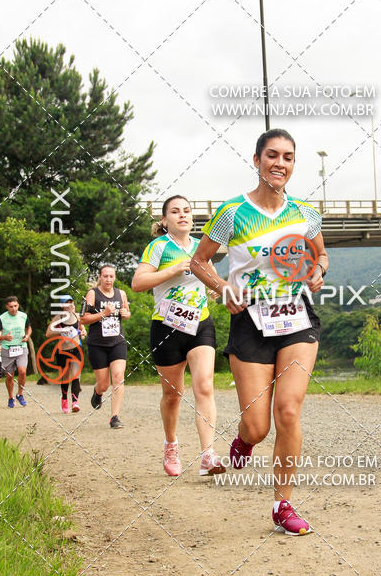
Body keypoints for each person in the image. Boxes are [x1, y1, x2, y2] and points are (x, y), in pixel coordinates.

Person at [190, 129, 328, 535]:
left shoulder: (306, 213)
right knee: (258, 425)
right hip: (250, 321)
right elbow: (199, 263)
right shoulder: (233, 212)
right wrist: (223, 288)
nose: (279, 163)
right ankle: (245, 440)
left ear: (293, 164)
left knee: (288, 410)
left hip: (297, 318)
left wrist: (318, 270)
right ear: (256, 160)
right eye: (272, 155)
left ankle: (282, 504)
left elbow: (321, 252)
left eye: (287, 157)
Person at [132, 195, 224, 478]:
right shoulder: (158, 247)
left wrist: (215, 290)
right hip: (167, 328)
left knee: (204, 386)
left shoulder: (201, 246)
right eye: (175, 211)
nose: (182, 215)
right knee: (173, 395)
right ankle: (171, 444)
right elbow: (137, 283)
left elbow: (215, 280)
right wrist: (174, 269)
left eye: (186, 210)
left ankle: (208, 454)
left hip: (200, 325)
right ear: (164, 220)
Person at [80, 265, 130, 429]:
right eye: (105, 276)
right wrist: (103, 313)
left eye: (111, 276)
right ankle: (98, 392)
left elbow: (127, 312)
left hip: (117, 342)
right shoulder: (93, 294)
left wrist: (125, 314)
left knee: (118, 377)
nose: (108, 279)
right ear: (100, 277)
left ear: (115, 277)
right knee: (104, 384)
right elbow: (83, 319)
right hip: (97, 344)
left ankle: (114, 417)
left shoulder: (121, 293)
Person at [46, 296, 86, 413]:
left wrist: (83, 332)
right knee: (65, 377)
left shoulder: (77, 316)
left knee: (75, 375)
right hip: (63, 351)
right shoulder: (59, 318)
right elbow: (48, 333)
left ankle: (75, 402)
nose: (69, 305)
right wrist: (60, 331)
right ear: (62, 306)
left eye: (71, 302)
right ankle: (64, 399)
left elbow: (83, 330)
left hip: (76, 349)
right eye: (66, 303)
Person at [0, 296, 32, 408]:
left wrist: (27, 336)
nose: (14, 308)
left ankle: (20, 394)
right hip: (7, 350)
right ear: (7, 307)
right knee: (10, 376)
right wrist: (4, 337)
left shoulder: (23, 316)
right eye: (11, 307)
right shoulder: (1, 318)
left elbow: (29, 328)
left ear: (18, 305)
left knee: (22, 371)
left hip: (21, 347)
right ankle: (11, 397)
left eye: (15, 306)